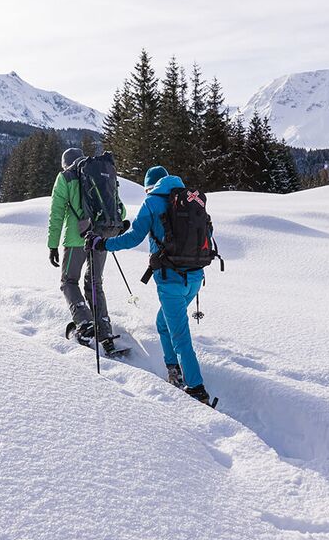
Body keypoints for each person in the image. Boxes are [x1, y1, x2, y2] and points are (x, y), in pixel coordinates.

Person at [85, 165, 211, 405]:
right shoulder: (191, 198)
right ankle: (173, 368)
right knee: (163, 323)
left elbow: (134, 237)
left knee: (180, 335)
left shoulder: (152, 203)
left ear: (149, 187)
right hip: (195, 277)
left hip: (170, 279)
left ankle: (196, 388)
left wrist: (102, 244)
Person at [48, 147, 124, 354]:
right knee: (95, 283)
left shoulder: (65, 177)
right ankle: (105, 332)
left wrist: (52, 245)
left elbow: (56, 214)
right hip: (100, 237)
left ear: (65, 163)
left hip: (76, 239)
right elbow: (120, 208)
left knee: (68, 281)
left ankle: (84, 323)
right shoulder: (101, 173)